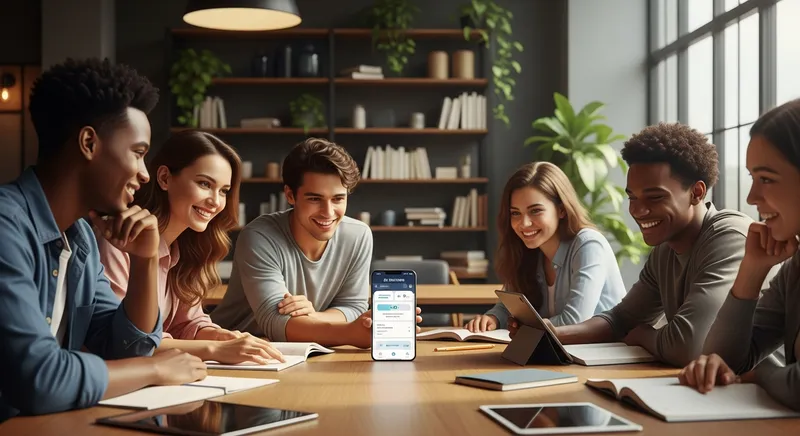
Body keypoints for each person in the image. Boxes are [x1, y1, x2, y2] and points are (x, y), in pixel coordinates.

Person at [0, 58, 206, 421]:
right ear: (89, 142)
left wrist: (144, 259)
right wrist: (156, 370)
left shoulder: (80, 239)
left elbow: (124, 348)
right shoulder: (7, 228)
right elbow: (40, 379)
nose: (144, 175)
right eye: (139, 153)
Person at [544, 122, 753, 367]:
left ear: (696, 192)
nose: (638, 211)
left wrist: (645, 335)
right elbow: (620, 320)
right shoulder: (666, 249)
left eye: (655, 197)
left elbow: (688, 346)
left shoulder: (730, 236)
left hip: (759, 395)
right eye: (632, 197)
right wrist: (554, 334)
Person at [210, 138, 421, 348]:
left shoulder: (358, 235)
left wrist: (315, 317)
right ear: (291, 195)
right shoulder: (259, 236)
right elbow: (275, 322)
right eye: (314, 199)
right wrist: (349, 333)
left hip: (302, 350)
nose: (328, 213)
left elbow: (353, 306)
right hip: (235, 352)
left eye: (338, 199)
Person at [96, 130, 284, 364]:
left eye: (223, 191)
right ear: (164, 178)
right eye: (204, 184)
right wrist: (213, 350)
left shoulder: (186, 248)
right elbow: (127, 342)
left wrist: (221, 336)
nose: (216, 202)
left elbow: (187, 324)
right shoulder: (120, 243)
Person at [678, 98, 800, 411]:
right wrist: (751, 271)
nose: (751, 197)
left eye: (767, 179)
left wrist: (760, 373)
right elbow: (726, 359)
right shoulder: (795, 268)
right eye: (752, 178)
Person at [465, 162, 626, 334]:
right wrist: (492, 319)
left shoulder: (589, 244)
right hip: (559, 354)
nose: (524, 223)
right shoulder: (528, 250)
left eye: (535, 211)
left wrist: (525, 328)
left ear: (561, 210)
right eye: (515, 213)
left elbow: (576, 322)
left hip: (604, 355)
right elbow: (508, 307)